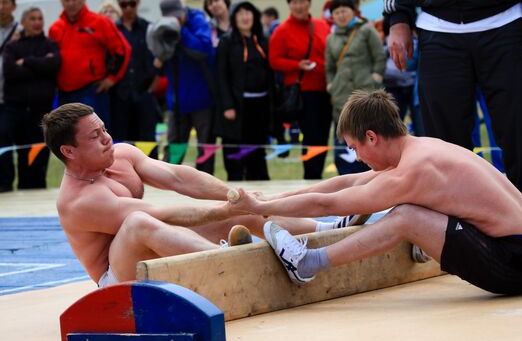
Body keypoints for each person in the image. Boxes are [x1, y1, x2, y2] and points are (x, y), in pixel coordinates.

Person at [230, 90, 522, 295]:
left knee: (405, 216)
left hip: (515, 267)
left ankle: (307, 263)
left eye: (355, 148)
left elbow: (328, 202)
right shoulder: (422, 147)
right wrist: (270, 202)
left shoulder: (413, 172)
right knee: (408, 204)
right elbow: (349, 183)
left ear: (372, 137)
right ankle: (425, 243)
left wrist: (257, 208)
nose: (356, 158)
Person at [41, 103, 362, 287]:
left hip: (155, 251)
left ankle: (328, 232)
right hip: (117, 281)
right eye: (95, 137)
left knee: (240, 207)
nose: (107, 139)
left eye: (104, 130)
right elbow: (162, 216)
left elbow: (178, 177)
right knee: (139, 222)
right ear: (69, 151)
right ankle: (232, 264)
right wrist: (224, 211)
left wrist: (234, 195)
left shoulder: (122, 154)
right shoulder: (80, 200)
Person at [383, 0, 522, 219]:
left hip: (506, 22)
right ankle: (454, 221)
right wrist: (398, 20)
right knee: (443, 144)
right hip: (437, 26)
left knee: (519, 133)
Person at [269, 0, 332, 179]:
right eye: (295, 2)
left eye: (303, 1)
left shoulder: (322, 25)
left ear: (309, 3)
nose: (299, 6)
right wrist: (297, 65)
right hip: (303, 92)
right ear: (289, 4)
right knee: (312, 138)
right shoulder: (282, 30)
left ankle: (317, 178)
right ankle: (311, 179)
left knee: (323, 136)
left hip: (326, 89)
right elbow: (273, 60)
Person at [49, 0, 131, 129]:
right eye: (67, 0)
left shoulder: (99, 22)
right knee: (68, 136)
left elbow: (123, 49)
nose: (71, 4)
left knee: (96, 135)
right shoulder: (55, 28)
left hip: (92, 90)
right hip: (64, 93)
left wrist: (113, 78)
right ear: (61, 2)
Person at [154, 0, 216, 174]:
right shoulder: (163, 27)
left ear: (183, 11)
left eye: (177, 16)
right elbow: (159, 58)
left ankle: (206, 189)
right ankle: (166, 186)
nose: (174, 20)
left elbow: (203, 48)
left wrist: (181, 32)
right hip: (177, 101)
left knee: (205, 151)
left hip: (203, 100)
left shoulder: (198, 21)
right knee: (174, 149)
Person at [325, 0, 385, 175]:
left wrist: (376, 78)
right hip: (341, 94)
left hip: (366, 90)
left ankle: (373, 173)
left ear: (353, 12)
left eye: (344, 11)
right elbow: (328, 66)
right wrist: (330, 85)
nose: (341, 15)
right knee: (344, 136)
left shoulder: (366, 30)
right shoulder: (331, 38)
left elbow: (379, 56)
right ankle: (346, 176)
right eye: (337, 12)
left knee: (369, 132)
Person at [2, 7, 60, 190]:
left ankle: (36, 188)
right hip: (16, 108)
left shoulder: (50, 44)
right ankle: (7, 185)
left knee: (40, 153)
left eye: (40, 18)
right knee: (18, 151)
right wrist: (39, 65)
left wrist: (26, 62)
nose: (37, 22)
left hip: (41, 109)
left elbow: (53, 65)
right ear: (24, 22)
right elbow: (10, 71)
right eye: (32, 19)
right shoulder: (12, 46)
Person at [215, 1, 274, 181]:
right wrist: (227, 105)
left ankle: (260, 187)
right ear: (234, 18)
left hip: (261, 103)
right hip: (236, 105)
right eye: (240, 13)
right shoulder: (226, 41)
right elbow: (221, 76)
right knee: (234, 148)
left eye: (248, 13)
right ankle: (235, 186)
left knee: (257, 148)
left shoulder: (263, 39)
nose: (245, 17)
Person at [111, 0, 161, 158]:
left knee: (148, 143)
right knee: (121, 145)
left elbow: (161, 57)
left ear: (138, 2)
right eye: (124, 4)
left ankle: (154, 183)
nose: (128, 8)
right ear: (119, 4)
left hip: (144, 94)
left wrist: (155, 83)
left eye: (132, 3)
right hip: (120, 95)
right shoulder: (113, 30)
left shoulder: (150, 28)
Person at [0, 0, 19, 192]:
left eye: (5, 2)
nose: (1, 7)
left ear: (13, 5)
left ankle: (6, 184)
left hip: (11, 98)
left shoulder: (21, 32)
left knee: (5, 139)